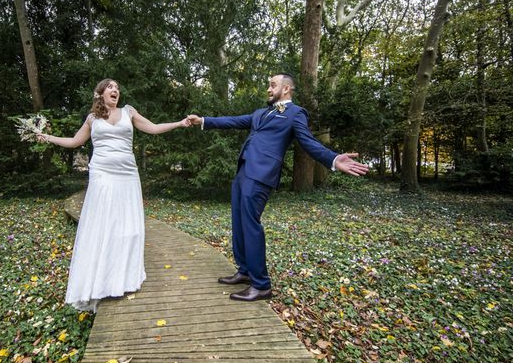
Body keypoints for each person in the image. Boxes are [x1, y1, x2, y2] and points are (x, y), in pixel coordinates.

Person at [187, 74, 368, 302]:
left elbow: (307, 141)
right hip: (243, 171)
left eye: (273, 85)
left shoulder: (295, 113)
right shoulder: (260, 114)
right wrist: (202, 120)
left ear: (286, 89)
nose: (268, 89)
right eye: (269, 84)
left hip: (261, 175)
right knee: (239, 221)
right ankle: (244, 271)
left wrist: (333, 159)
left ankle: (261, 285)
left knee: (250, 224)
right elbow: (232, 120)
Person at [37, 78, 190, 311]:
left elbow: (153, 128)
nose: (115, 90)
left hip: (127, 174)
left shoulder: (129, 112)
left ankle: (123, 277)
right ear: (100, 94)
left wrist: (179, 123)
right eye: (110, 87)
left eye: (117, 88)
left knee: (129, 226)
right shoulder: (92, 119)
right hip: (101, 174)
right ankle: (99, 280)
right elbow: (74, 142)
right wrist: (48, 137)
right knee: (103, 224)